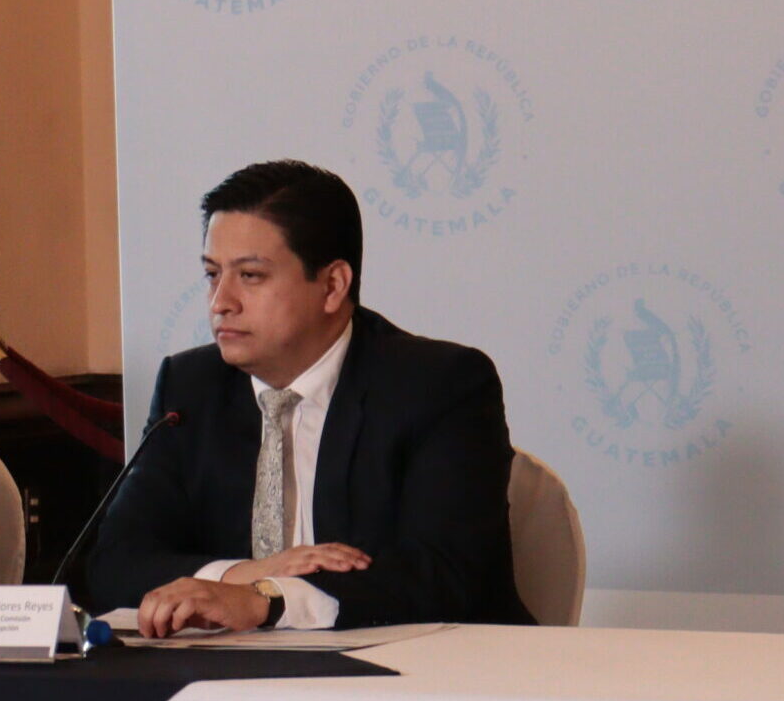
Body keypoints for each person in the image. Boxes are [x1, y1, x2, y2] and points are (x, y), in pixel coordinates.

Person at [89, 160, 530, 634]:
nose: (220, 302)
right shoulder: (190, 387)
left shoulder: (439, 385)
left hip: (420, 665)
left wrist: (269, 599)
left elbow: (446, 574)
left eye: (250, 275)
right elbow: (113, 562)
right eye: (213, 274)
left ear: (333, 285)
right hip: (235, 671)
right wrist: (246, 576)